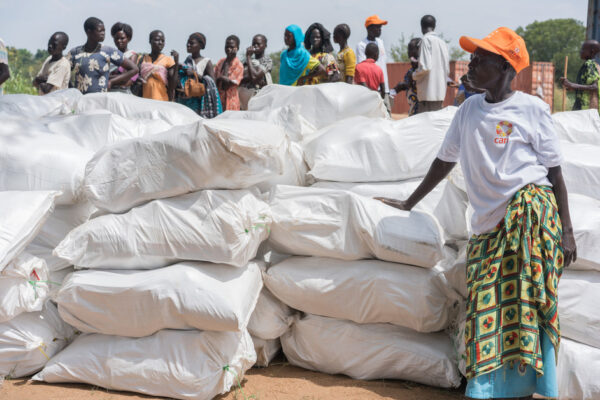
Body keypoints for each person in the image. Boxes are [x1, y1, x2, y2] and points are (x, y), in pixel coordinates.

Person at [376, 27, 576, 399]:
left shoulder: (532, 109)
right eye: (472, 57)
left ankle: (525, 386)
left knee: (527, 304)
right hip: (486, 228)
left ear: (505, 67)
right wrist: (410, 202)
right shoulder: (468, 109)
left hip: (528, 217)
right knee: (487, 304)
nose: (471, 63)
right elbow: (444, 162)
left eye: (480, 59)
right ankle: (488, 389)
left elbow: (556, 174)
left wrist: (567, 231)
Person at [67, 17, 138, 94]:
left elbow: (134, 69)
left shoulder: (108, 51)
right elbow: (64, 73)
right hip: (81, 100)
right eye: (100, 31)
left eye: (104, 30)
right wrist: (72, 90)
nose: (103, 33)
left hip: (101, 99)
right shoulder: (75, 52)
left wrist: (111, 82)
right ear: (89, 32)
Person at [176, 32, 222, 118]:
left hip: (199, 101)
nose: (188, 45)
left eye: (191, 43)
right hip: (185, 99)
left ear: (200, 45)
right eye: (187, 42)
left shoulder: (206, 62)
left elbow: (212, 82)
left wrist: (194, 74)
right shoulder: (186, 61)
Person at [411, 15, 450, 113]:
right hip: (440, 93)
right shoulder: (442, 43)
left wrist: (414, 75)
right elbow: (447, 70)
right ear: (434, 26)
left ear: (421, 26)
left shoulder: (425, 40)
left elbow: (425, 67)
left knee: (425, 126)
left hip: (427, 94)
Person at [356, 15, 391, 110]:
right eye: (377, 27)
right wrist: (370, 93)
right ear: (369, 28)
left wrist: (384, 90)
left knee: (387, 117)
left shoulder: (381, 42)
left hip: (384, 89)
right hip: (371, 91)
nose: (380, 29)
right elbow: (363, 69)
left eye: (380, 27)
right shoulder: (362, 45)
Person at [560, 40, 600, 114]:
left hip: (586, 108)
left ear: (592, 51)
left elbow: (594, 87)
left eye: (583, 49)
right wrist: (572, 87)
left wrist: (571, 84)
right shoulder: (590, 65)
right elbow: (586, 86)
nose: (580, 52)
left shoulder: (590, 65)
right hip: (581, 106)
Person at [139, 30, 178, 101]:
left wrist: (176, 62)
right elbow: (136, 77)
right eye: (157, 40)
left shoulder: (168, 60)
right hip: (145, 100)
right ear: (150, 41)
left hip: (162, 100)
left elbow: (173, 86)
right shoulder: (142, 58)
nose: (160, 43)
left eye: (163, 41)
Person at [239, 34, 272, 110]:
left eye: (258, 44)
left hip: (259, 98)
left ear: (265, 46)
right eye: (254, 44)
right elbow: (241, 78)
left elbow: (254, 77)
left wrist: (248, 57)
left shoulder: (267, 60)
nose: (255, 46)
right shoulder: (246, 62)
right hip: (245, 99)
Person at [391, 37, 421, 115]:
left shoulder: (422, 70)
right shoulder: (410, 71)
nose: (408, 52)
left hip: (420, 110)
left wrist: (403, 85)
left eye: (411, 49)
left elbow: (412, 83)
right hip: (413, 108)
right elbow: (407, 84)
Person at [215, 35, 244, 111]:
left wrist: (221, 78)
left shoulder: (238, 65)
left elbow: (226, 85)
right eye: (226, 47)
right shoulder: (220, 62)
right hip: (219, 101)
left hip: (231, 102)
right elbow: (215, 80)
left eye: (231, 47)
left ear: (237, 48)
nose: (228, 49)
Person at [109, 22, 138, 93]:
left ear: (129, 38)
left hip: (123, 93)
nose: (119, 41)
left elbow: (125, 79)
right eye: (116, 38)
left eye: (122, 38)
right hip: (110, 91)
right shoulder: (111, 54)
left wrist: (106, 77)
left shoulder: (131, 55)